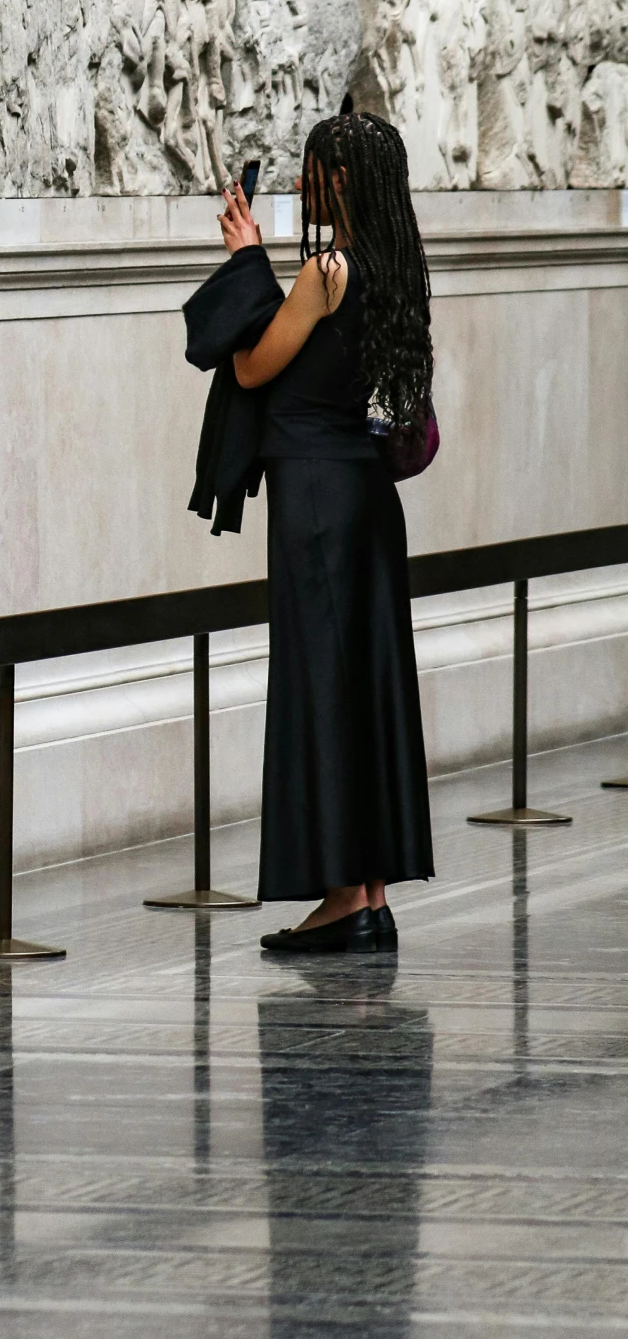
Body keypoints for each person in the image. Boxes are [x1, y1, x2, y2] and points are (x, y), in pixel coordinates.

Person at [216, 108, 435, 953]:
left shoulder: (327, 272)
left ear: (337, 181)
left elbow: (252, 364)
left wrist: (244, 261)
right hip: (369, 498)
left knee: (321, 684)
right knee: (367, 685)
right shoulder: (397, 269)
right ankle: (370, 891)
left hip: (311, 495)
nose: (303, 182)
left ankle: (344, 895)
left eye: (312, 170)